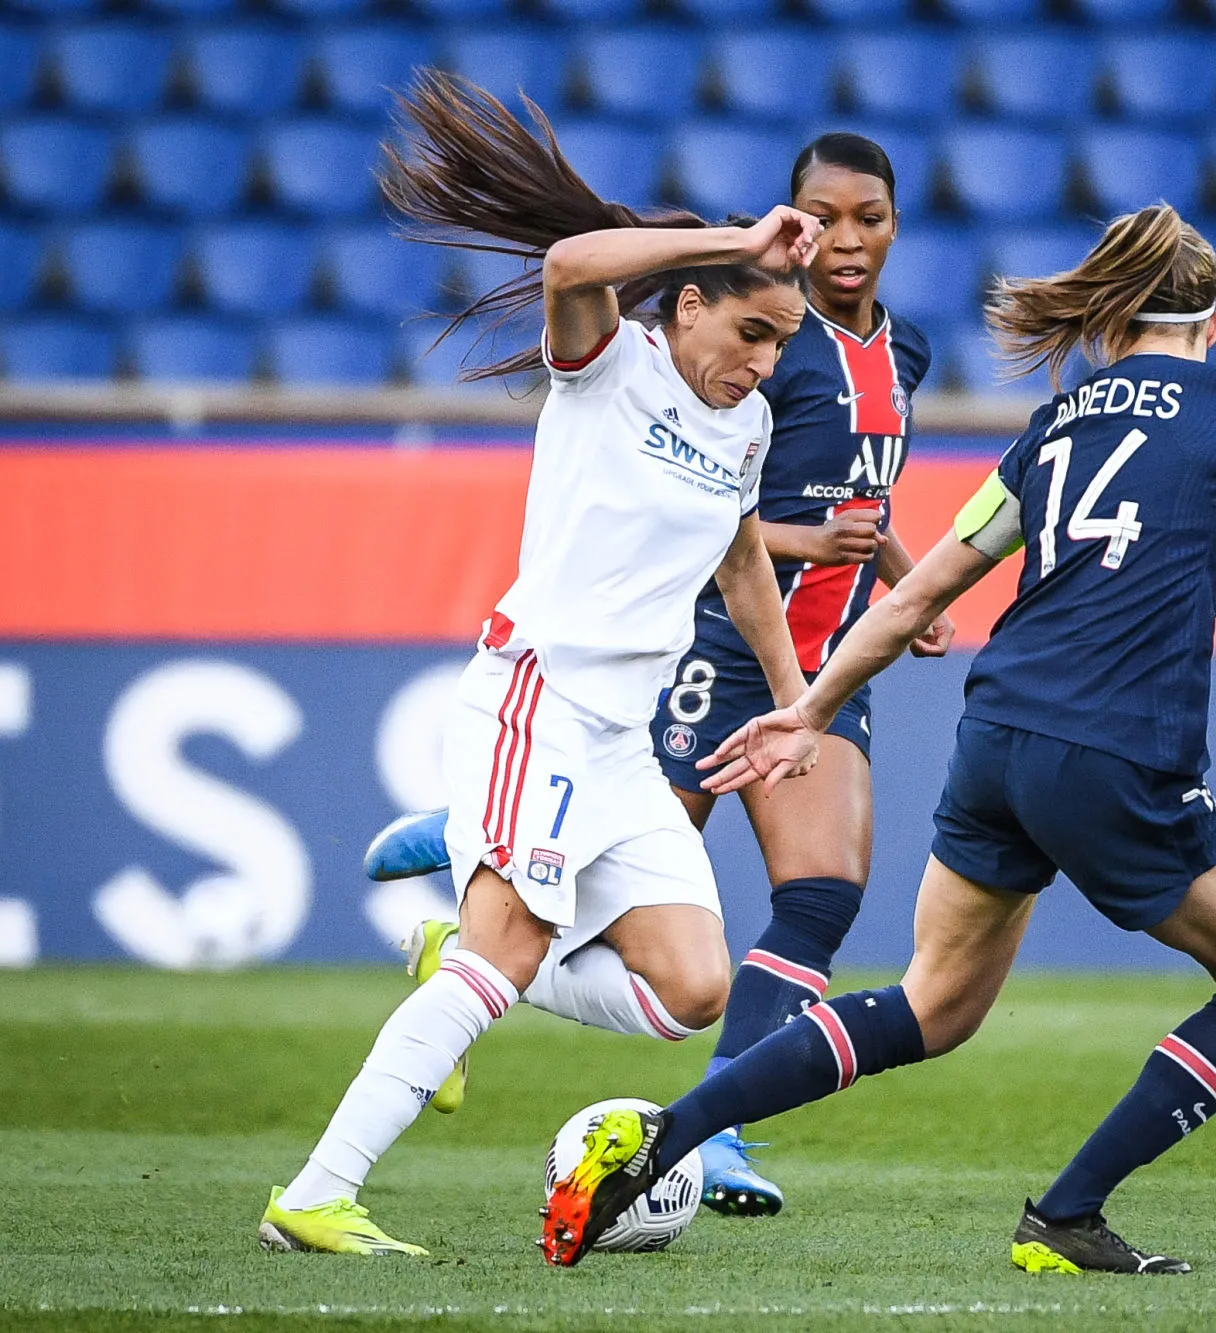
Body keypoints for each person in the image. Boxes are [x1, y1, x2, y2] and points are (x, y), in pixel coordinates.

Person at [538, 204, 1216, 1272]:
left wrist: (811, 706)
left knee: (933, 1003)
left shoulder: (1056, 425)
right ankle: (1066, 1212)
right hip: (1116, 753)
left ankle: (663, 1137)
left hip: (995, 740)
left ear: (1115, 321)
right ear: (1210, 320)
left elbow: (922, 592)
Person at [257, 71, 821, 1256]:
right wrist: (737, 232)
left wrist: (795, 704)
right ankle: (316, 1191)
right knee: (507, 952)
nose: (763, 361)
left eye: (780, 343)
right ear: (684, 307)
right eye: (749, 330)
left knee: (692, 990)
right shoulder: (607, 362)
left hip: (623, 743)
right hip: (538, 701)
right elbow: (569, 263)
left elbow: (741, 565)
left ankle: (443, 950)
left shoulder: (748, 425)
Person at [360, 132, 949, 1217]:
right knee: (597, 884)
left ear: (894, 223)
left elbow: (856, 492)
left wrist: (910, 589)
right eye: (829, 216)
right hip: (713, 654)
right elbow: (722, 525)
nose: (850, 239)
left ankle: (717, 1128)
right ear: (794, 222)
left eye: (870, 216)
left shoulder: (903, 349)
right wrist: (807, 554)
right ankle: (467, 835)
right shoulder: (768, 334)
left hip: (825, 665)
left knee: (817, 898)